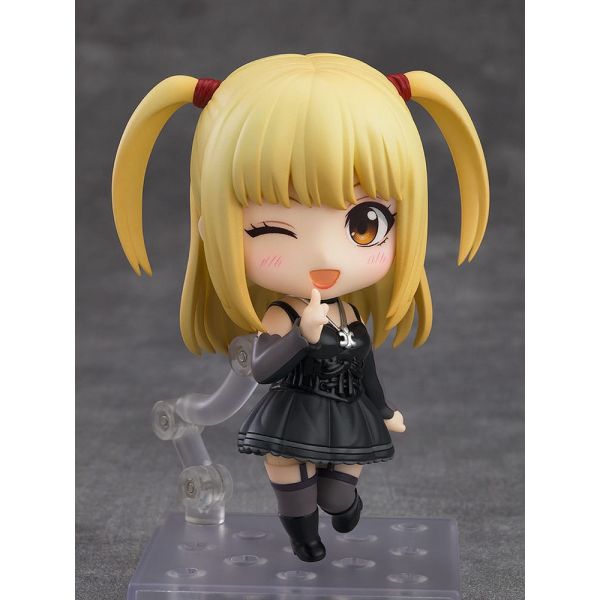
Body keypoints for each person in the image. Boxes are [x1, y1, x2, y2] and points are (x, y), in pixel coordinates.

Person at [112, 53, 489, 562]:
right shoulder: (283, 316)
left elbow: (366, 368)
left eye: (365, 224)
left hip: (349, 411)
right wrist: (300, 336)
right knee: (291, 478)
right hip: (295, 411)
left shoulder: (351, 315)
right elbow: (262, 370)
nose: (325, 256)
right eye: (272, 229)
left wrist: (384, 410)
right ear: (212, 227)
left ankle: (344, 506)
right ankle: (303, 537)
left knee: (337, 496)